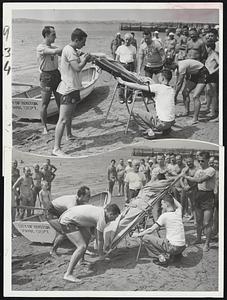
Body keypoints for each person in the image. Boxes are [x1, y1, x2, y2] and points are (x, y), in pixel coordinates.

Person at [53, 28, 91, 157]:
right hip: (68, 89)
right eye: (83, 41)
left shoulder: (73, 50)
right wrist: (85, 60)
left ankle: (69, 135)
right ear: (76, 40)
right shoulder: (69, 50)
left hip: (73, 88)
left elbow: (83, 54)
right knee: (63, 119)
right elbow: (77, 68)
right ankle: (56, 148)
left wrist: (89, 56)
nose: (84, 44)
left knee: (69, 116)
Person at [59, 203, 121, 282]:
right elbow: (100, 239)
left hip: (73, 218)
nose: (115, 220)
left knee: (87, 237)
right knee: (82, 246)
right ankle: (68, 274)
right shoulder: (102, 218)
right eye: (114, 217)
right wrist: (101, 254)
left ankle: (81, 260)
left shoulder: (101, 210)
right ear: (110, 214)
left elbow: (95, 232)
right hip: (67, 221)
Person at [118, 69, 175, 139]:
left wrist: (123, 82)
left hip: (162, 123)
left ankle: (150, 132)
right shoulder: (171, 89)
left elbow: (138, 86)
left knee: (133, 112)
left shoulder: (158, 87)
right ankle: (166, 130)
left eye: (159, 76)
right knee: (160, 111)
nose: (158, 78)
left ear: (162, 78)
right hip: (171, 121)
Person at [135, 194, 186, 267]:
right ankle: (177, 256)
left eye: (162, 204)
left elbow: (151, 230)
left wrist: (138, 234)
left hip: (173, 247)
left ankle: (162, 258)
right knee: (168, 240)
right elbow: (179, 205)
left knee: (145, 238)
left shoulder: (164, 216)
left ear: (166, 204)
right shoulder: (178, 212)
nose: (161, 206)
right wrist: (169, 195)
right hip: (182, 247)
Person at [183, 151, 216, 252]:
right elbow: (195, 184)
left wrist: (186, 177)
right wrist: (188, 187)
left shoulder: (211, 170)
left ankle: (207, 243)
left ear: (207, 160)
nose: (200, 162)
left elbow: (200, 180)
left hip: (208, 196)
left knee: (207, 222)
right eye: (199, 161)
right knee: (198, 221)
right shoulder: (198, 170)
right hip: (198, 195)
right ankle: (198, 239)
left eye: (203, 161)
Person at [48, 186, 91, 257]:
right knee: (64, 232)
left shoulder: (80, 201)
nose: (90, 197)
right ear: (82, 196)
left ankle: (80, 247)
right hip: (51, 211)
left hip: (61, 212)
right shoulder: (72, 203)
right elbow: (72, 219)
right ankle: (53, 251)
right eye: (88, 196)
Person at [37, 26, 62, 134]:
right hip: (46, 77)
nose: (55, 37)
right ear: (46, 35)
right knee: (45, 103)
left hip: (56, 74)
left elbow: (61, 53)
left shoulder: (55, 47)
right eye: (53, 35)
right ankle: (44, 127)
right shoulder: (40, 47)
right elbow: (52, 52)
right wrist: (67, 48)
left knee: (60, 101)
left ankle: (61, 123)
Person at [172, 58, 209, 124]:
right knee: (184, 93)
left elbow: (179, 83)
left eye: (169, 67)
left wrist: (175, 96)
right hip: (194, 74)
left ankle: (195, 119)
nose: (170, 69)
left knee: (195, 96)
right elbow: (177, 82)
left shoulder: (181, 66)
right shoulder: (177, 68)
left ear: (173, 63)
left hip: (203, 73)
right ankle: (186, 112)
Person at [115, 33, 137, 104]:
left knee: (130, 82)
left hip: (131, 65)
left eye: (129, 40)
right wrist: (116, 68)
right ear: (124, 39)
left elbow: (135, 59)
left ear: (131, 40)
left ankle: (129, 97)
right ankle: (121, 97)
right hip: (122, 65)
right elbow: (116, 59)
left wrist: (136, 69)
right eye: (126, 39)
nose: (127, 41)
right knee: (121, 82)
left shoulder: (133, 48)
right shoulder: (120, 48)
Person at [180, 155, 198, 222]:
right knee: (182, 205)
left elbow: (196, 181)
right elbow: (181, 179)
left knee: (193, 205)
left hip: (193, 189)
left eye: (190, 161)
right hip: (184, 189)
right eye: (187, 162)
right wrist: (183, 186)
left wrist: (189, 187)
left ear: (193, 161)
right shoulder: (184, 169)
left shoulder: (196, 169)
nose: (189, 163)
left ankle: (195, 220)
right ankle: (180, 220)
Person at [204, 42, 219, 120]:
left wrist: (213, 71)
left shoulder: (214, 54)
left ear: (209, 47)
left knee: (213, 94)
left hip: (213, 76)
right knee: (209, 92)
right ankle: (210, 109)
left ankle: (213, 112)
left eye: (206, 47)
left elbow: (221, 64)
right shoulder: (209, 55)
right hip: (208, 76)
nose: (206, 49)